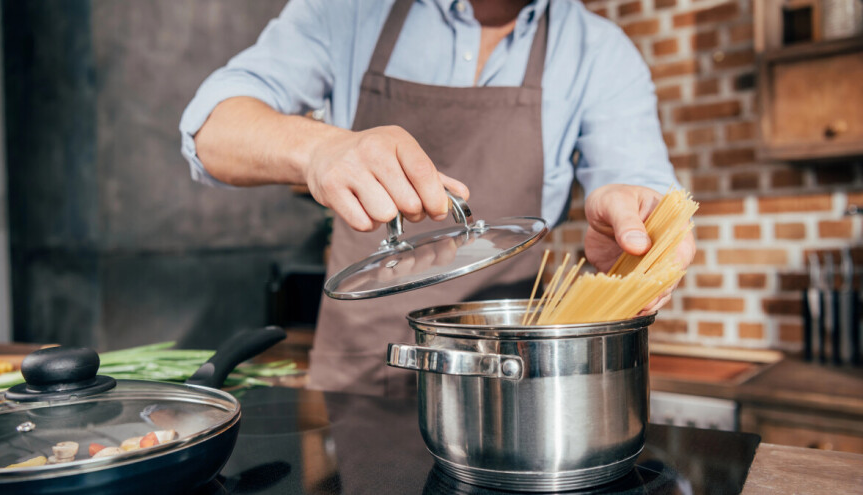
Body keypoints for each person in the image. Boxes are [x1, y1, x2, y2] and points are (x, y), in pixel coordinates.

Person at [180, 0, 696, 396]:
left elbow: (641, 185)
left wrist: (642, 225)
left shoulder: (598, 49)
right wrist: (319, 149)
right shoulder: (350, 10)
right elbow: (211, 132)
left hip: (513, 376)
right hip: (365, 369)